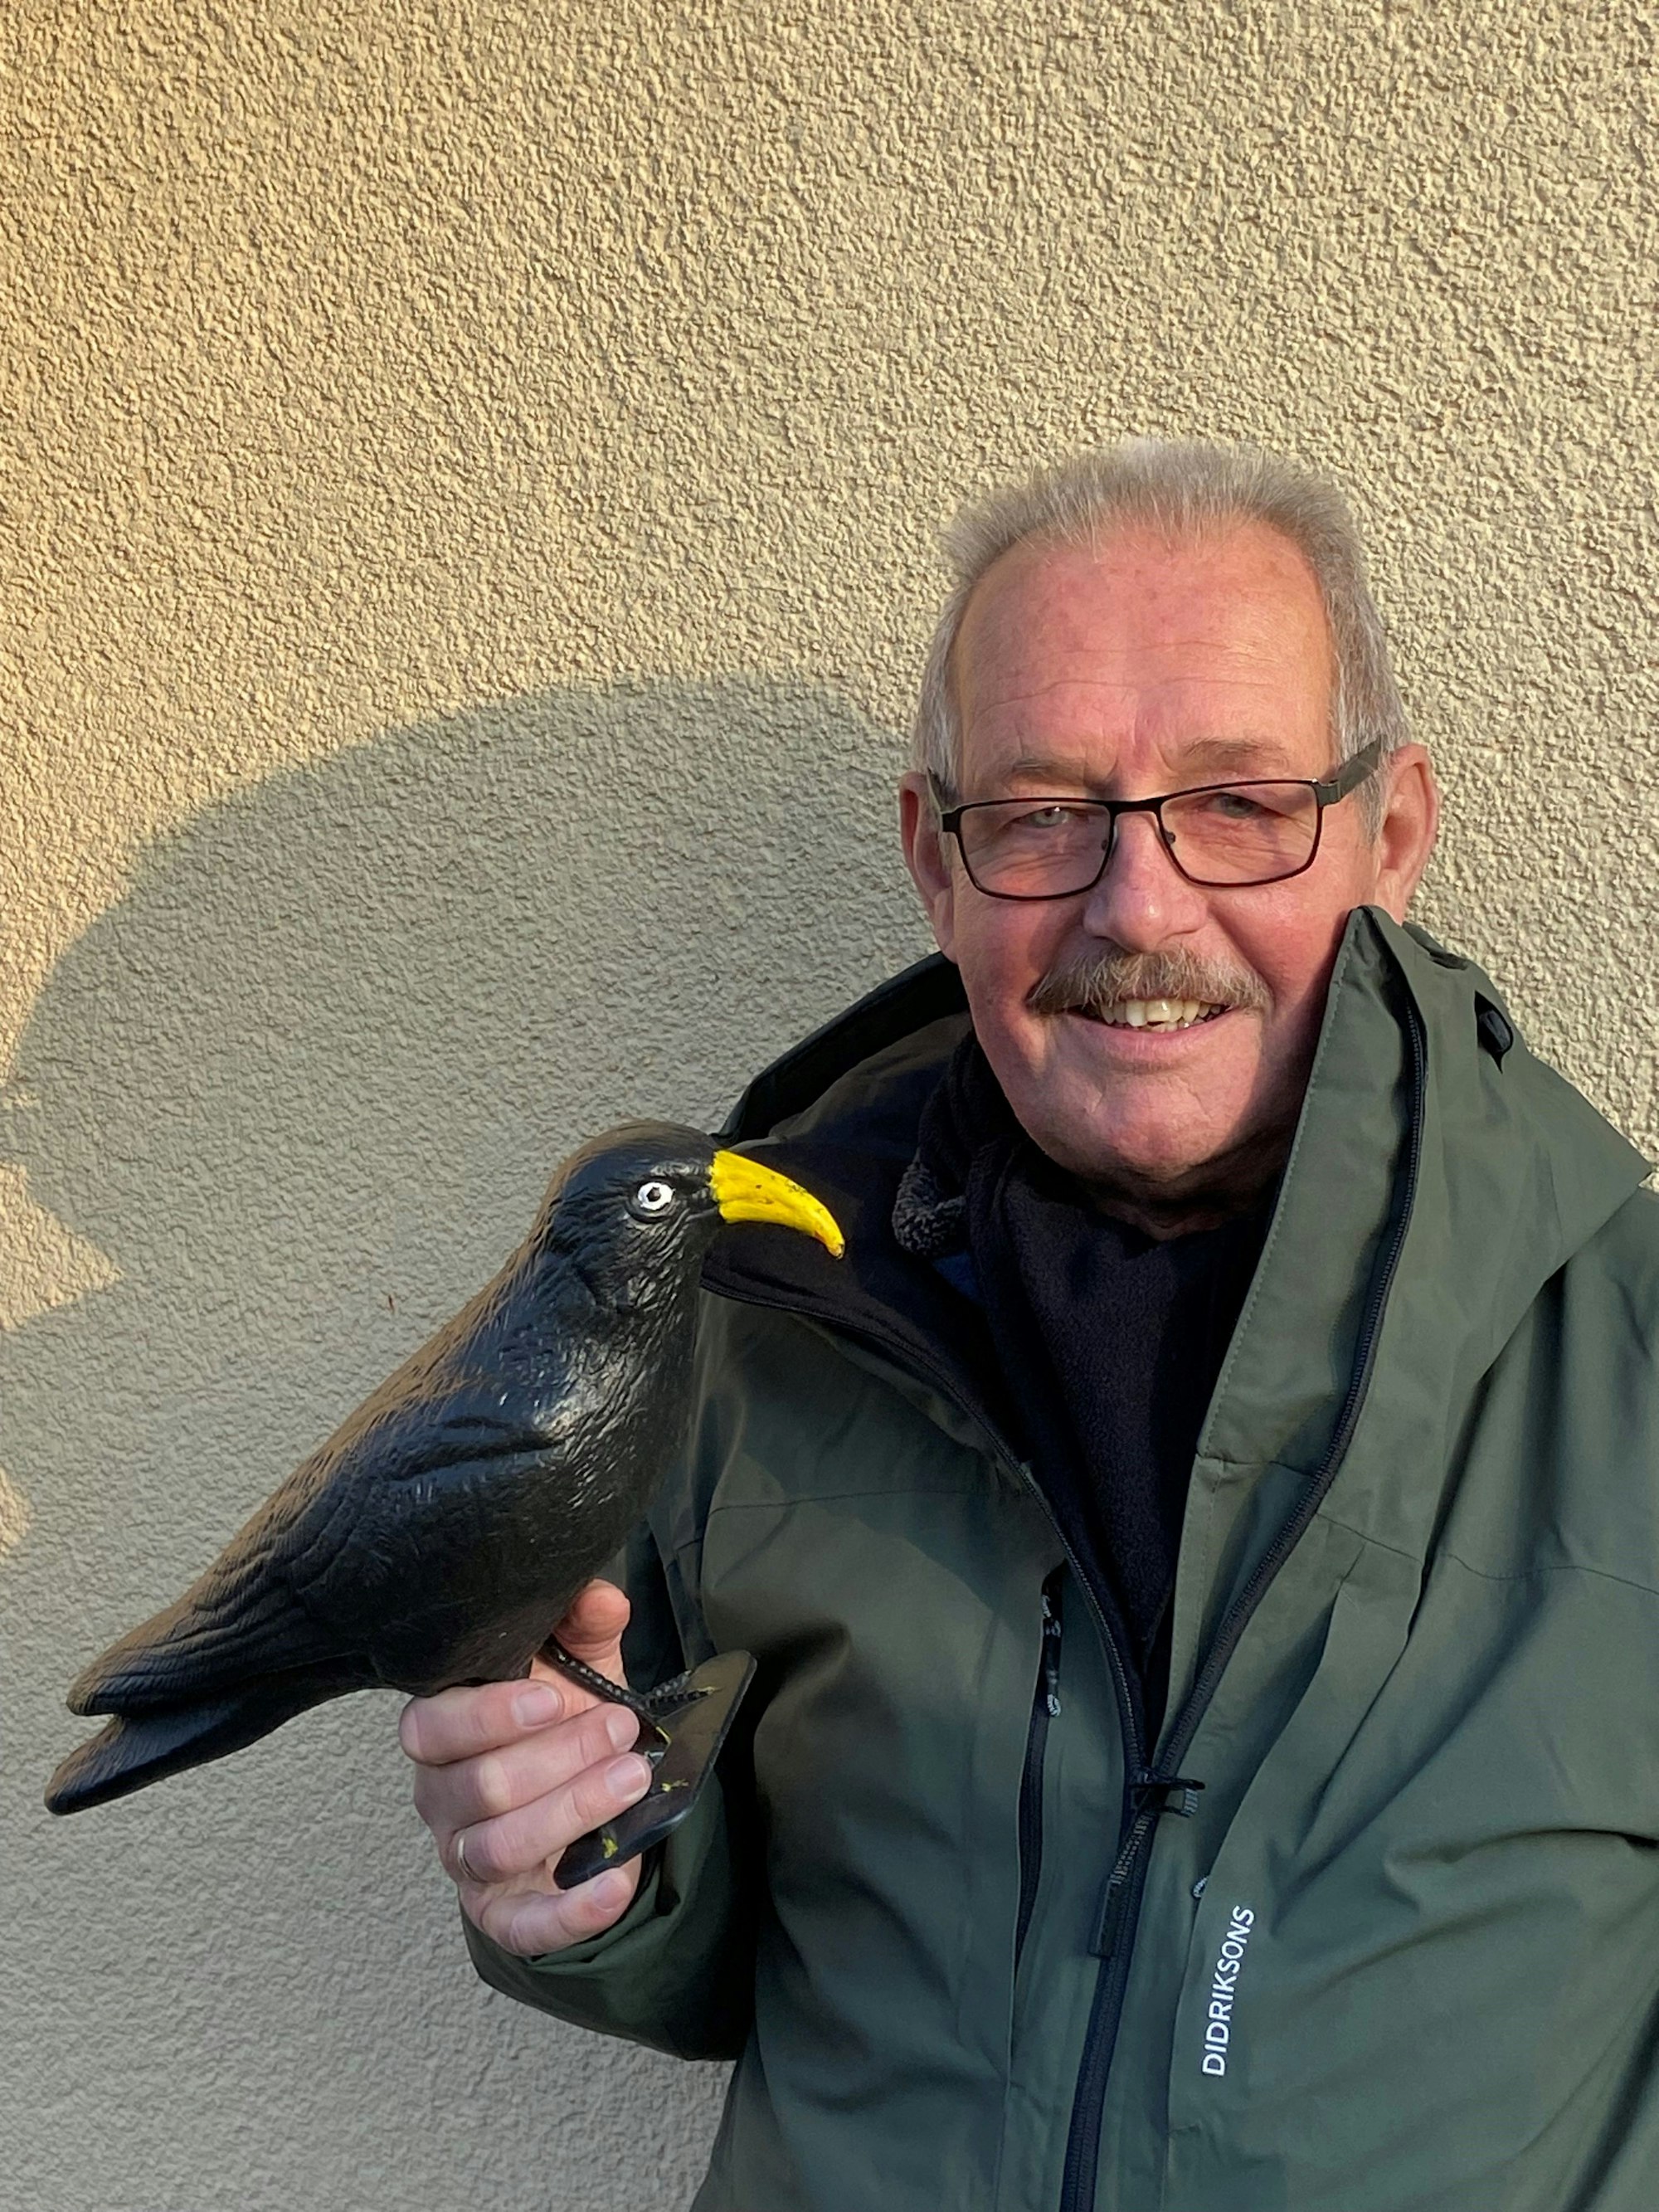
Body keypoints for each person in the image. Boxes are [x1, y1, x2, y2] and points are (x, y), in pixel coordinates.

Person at [399, 441, 1659, 2212]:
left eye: (1237, 800)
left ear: (1391, 836)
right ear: (934, 857)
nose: (1137, 907)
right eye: (1043, 811)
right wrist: (575, 1870)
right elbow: (706, 1931)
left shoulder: (1632, 1358)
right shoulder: (746, 1330)